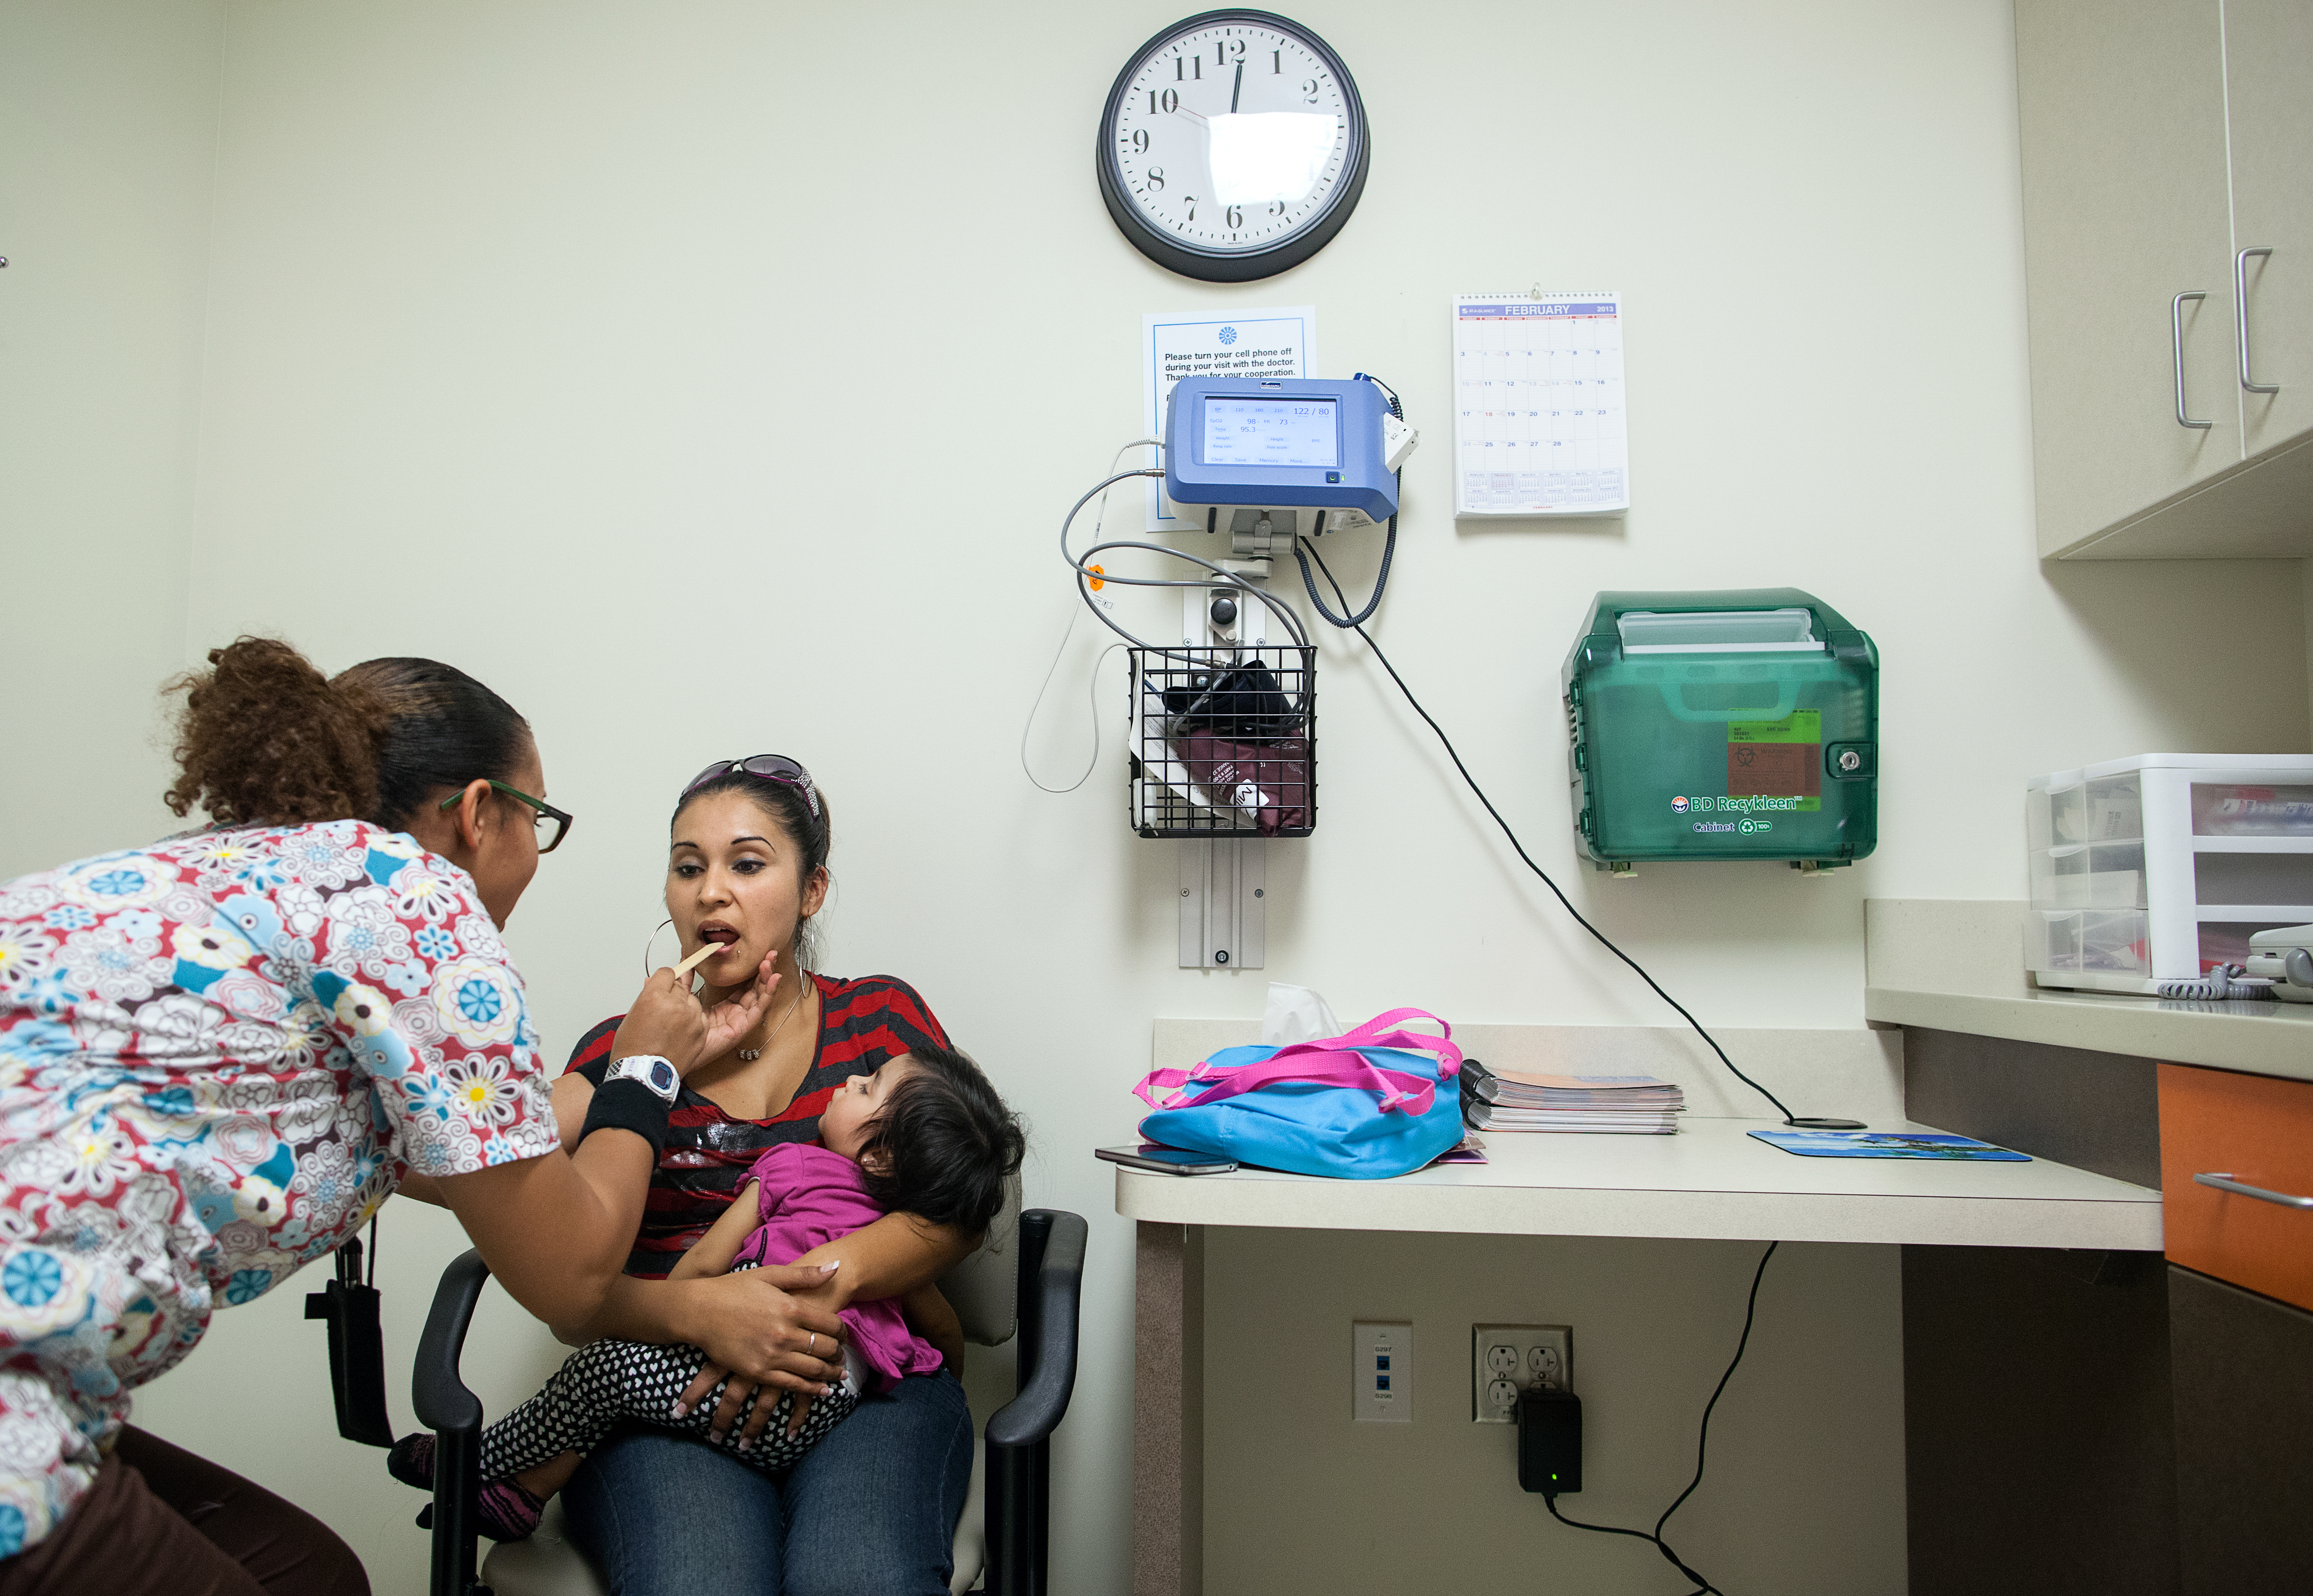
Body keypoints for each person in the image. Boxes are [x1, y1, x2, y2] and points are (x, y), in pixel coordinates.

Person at [0, 641, 835, 1596]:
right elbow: (567, 1276)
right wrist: (645, 1066)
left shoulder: (241, 865)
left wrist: (640, 1066)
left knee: (311, 1572)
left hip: (40, 1364)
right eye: (541, 818)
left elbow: (475, 1156)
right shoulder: (419, 904)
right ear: (483, 812)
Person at [539, 757, 987, 1596]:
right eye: (688, 866)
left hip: (870, 1379)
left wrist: (822, 1287)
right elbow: (526, 1205)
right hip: (671, 1388)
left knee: (857, 1581)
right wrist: (704, 1310)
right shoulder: (623, 1052)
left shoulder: (880, 1019)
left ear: (811, 890)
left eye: (746, 863)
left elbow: (958, 1206)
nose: (712, 892)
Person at [384, 1044, 1023, 1541]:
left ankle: (472, 1461)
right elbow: (937, 1327)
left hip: (739, 1383)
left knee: (604, 1377)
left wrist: (698, 1314)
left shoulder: (791, 1167)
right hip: (823, 1403)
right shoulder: (894, 1231)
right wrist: (941, 1377)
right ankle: (521, 1491)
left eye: (866, 1087)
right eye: (689, 866)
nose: (848, 1081)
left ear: (884, 1156)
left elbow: (701, 1270)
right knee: (621, 1397)